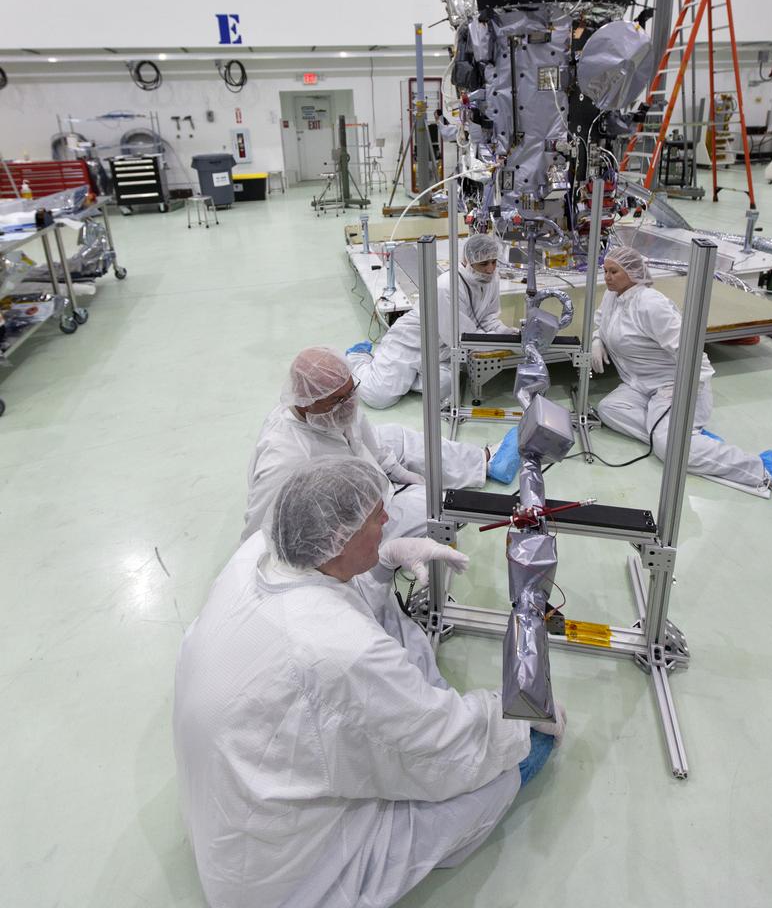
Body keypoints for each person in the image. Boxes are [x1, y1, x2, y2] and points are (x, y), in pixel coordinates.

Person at [175, 458, 565, 908]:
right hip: (278, 875)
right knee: (496, 776)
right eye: (372, 519)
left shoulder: (256, 556)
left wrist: (380, 565)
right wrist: (521, 718)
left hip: (230, 811)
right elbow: (445, 749)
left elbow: (329, 599)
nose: (386, 517)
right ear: (337, 544)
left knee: (395, 636)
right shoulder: (343, 652)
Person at [591, 244, 772, 505]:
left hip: (676, 384)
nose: (607, 277)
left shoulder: (650, 304)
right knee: (609, 409)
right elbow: (601, 319)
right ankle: (685, 438)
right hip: (640, 385)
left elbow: (688, 348)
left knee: (668, 448)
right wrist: (597, 339)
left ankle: (762, 468)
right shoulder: (612, 297)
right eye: (605, 271)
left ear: (632, 272)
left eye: (614, 271)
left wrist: (686, 390)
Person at [243, 345, 522, 540]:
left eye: (351, 392)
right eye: (338, 400)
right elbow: (258, 533)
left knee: (397, 436)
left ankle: (484, 460)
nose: (349, 404)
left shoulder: (337, 406)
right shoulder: (286, 457)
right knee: (440, 508)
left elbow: (369, 441)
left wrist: (398, 472)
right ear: (305, 403)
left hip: (360, 468)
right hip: (350, 516)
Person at [346, 231, 516, 410]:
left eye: (494, 262)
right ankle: (358, 357)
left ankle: (402, 376)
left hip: (442, 350)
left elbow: (488, 316)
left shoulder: (491, 279)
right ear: (467, 261)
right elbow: (462, 338)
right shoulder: (447, 286)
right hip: (411, 343)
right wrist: (502, 341)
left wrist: (503, 331)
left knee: (444, 387)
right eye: (483, 264)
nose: (490, 269)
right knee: (378, 397)